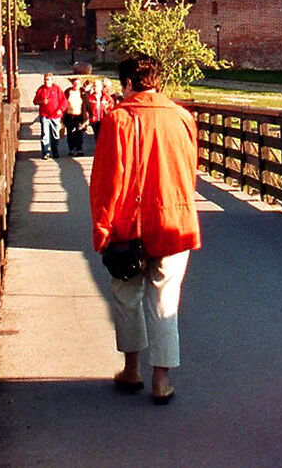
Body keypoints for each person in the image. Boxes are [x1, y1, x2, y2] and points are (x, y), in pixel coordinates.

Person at [89, 56, 201, 405]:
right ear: (159, 83)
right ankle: (162, 379)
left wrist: (102, 230)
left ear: (126, 84)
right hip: (175, 224)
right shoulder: (183, 117)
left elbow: (107, 182)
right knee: (165, 300)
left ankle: (132, 368)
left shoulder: (118, 119)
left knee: (127, 297)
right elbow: (190, 170)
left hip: (130, 227)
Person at [32, 73, 66, 159]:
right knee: (45, 134)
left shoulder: (57, 89)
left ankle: (55, 151)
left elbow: (64, 101)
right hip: (45, 115)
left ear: (52, 80)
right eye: (45, 80)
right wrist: (42, 102)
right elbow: (35, 101)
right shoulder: (41, 89)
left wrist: (60, 110)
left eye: (48, 79)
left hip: (55, 116)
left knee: (55, 134)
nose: (46, 81)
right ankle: (45, 152)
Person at [64, 78, 87, 156]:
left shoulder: (83, 93)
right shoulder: (68, 92)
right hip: (69, 115)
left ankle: (79, 149)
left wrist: (88, 116)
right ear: (72, 84)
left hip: (79, 115)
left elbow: (87, 105)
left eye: (78, 84)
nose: (76, 85)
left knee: (79, 132)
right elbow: (63, 103)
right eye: (75, 83)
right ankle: (71, 149)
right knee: (70, 133)